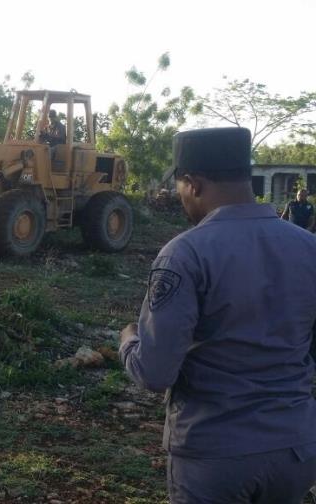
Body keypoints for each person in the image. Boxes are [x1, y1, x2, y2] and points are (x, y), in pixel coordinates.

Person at [120, 127, 316, 503]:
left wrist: (129, 339)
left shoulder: (186, 253)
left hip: (214, 453)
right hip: (295, 450)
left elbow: (155, 372)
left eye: (179, 188)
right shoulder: (308, 247)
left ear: (192, 184)